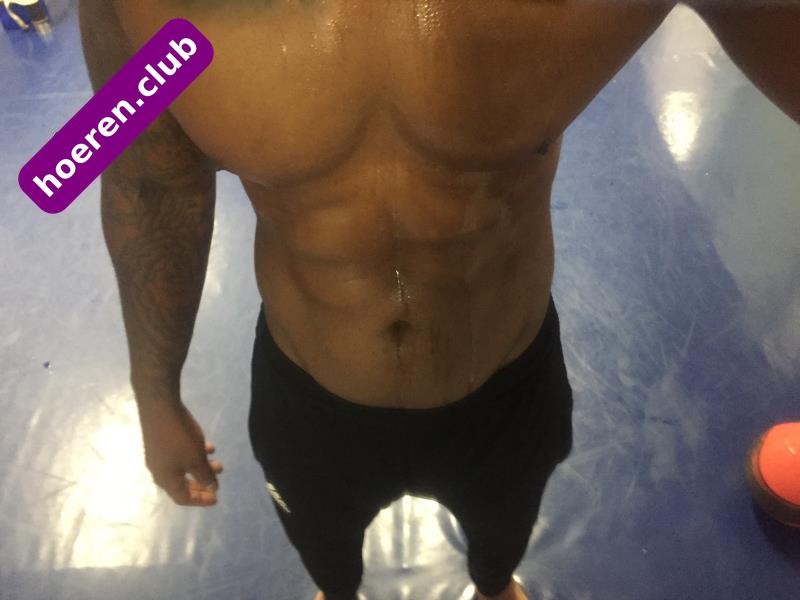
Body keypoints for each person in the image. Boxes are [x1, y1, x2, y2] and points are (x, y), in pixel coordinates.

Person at [78, 2, 799, 599]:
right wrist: (153, 393)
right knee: (327, 558)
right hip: (309, 398)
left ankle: (493, 586)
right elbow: (143, 181)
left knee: (501, 539)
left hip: (506, 388)